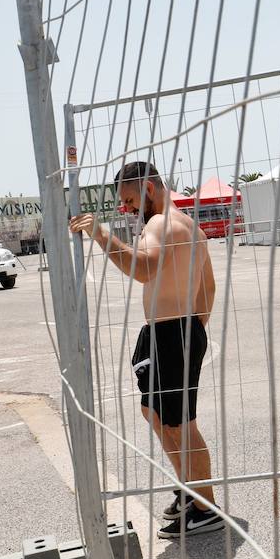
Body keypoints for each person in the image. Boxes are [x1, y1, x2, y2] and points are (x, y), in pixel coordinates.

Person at [69, 161, 223, 539]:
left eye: (129, 200)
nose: (126, 209)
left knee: (180, 424)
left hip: (173, 334)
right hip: (173, 332)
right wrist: (195, 326)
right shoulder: (193, 229)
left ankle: (205, 507)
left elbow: (144, 268)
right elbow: (209, 288)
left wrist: (101, 235)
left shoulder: (160, 224)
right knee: (154, 413)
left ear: (149, 190)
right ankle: (189, 489)